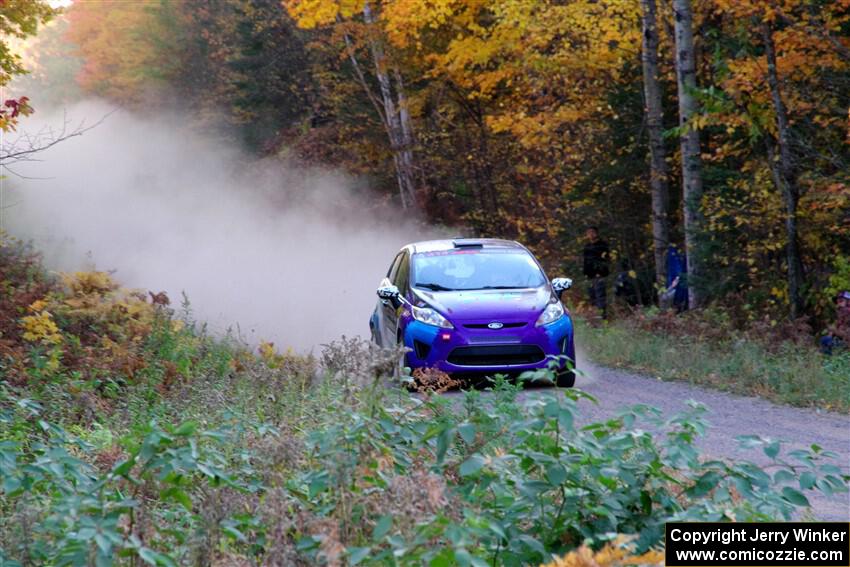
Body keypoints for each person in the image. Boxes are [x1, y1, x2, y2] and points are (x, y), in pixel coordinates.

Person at [582, 226, 610, 319]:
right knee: (591, 296)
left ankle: (603, 317)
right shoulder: (587, 246)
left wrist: (601, 272)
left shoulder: (602, 245)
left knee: (600, 296)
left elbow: (605, 260)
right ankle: (594, 317)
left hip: (599, 275)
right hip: (589, 275)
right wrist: (585, 273)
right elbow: (585, 261)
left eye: (592, 232)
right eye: (588, 232)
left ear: (597, 233)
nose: (591, 234)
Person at [820, 290, 850, 355]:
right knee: (825, 340)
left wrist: (834, 331)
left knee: (827, 342)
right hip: (840, 340)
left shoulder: (847, 313)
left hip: (846, 343)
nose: (839, 304)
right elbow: (835, 329)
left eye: (841, 301)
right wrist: (831, 333)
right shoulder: (840, 315)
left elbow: (846, 334)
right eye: (838, 302)